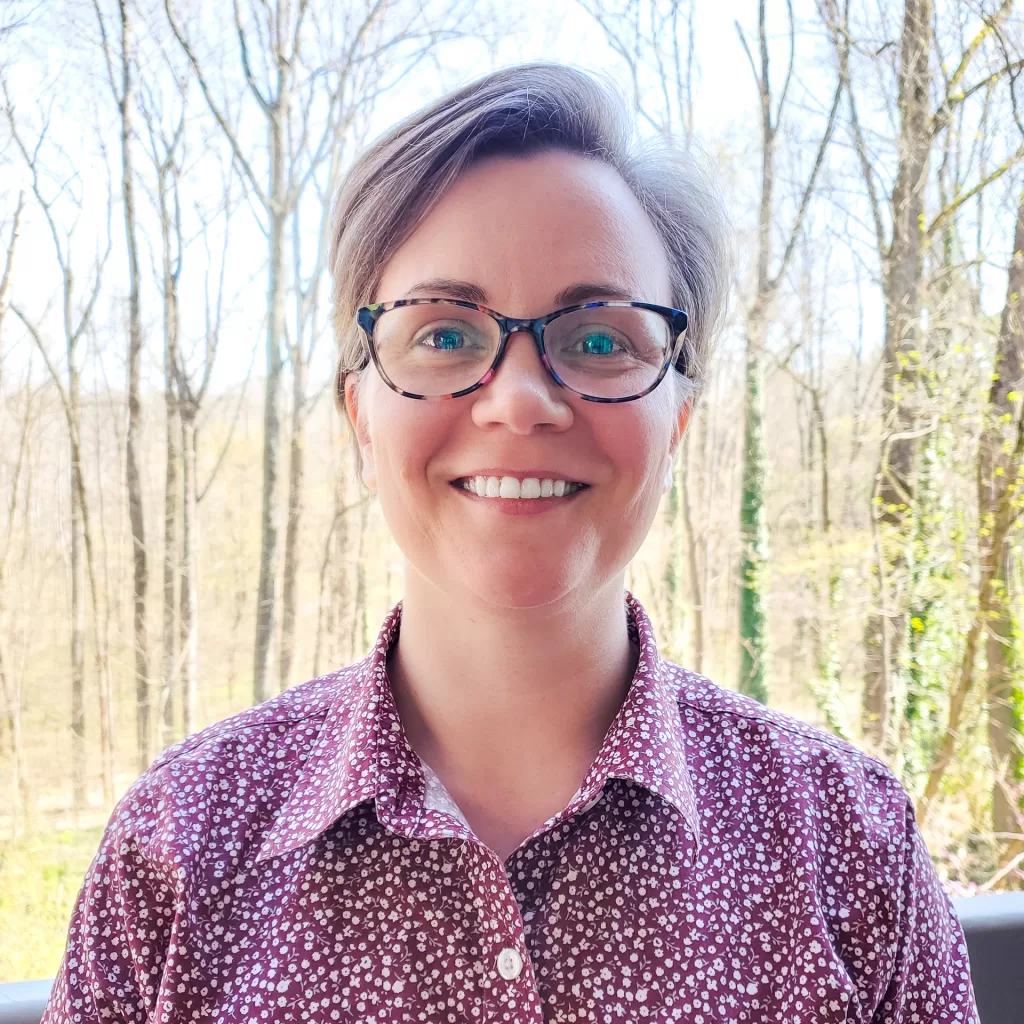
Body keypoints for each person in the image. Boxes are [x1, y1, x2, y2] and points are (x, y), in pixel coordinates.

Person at [43, 63, 976, 1024]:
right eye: (444, 335)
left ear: (680, 422)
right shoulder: (180, 845)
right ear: (360, 416)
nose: (522, 398)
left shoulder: (849, 847)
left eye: (601, 340)